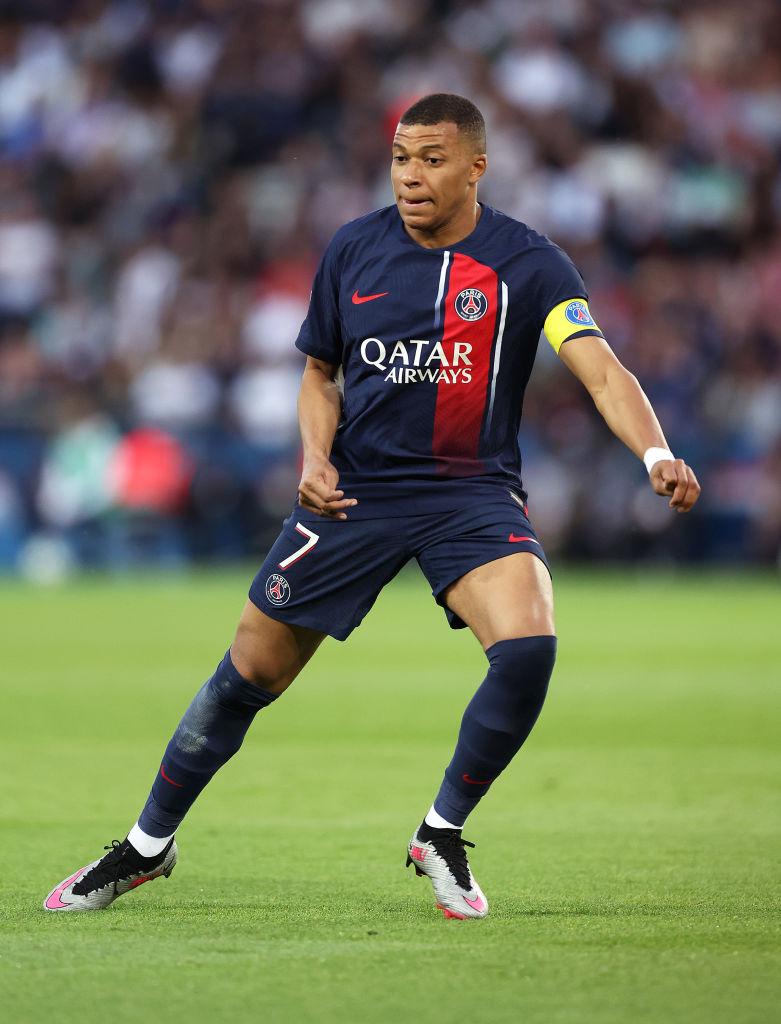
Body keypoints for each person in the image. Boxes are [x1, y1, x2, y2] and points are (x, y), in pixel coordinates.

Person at [44, 94, 700, 920]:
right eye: (400, 158)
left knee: (528, 648)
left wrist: (655, 453)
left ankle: (440, 832)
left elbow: (601, 370)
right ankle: (146, 846)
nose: (410, 176)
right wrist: (313, 458)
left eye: (431, 159)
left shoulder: (529, 263)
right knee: (246, 677)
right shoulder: (354, 248)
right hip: (356, 491)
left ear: (476, 168)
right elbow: (319, 374)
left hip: (468, 491)